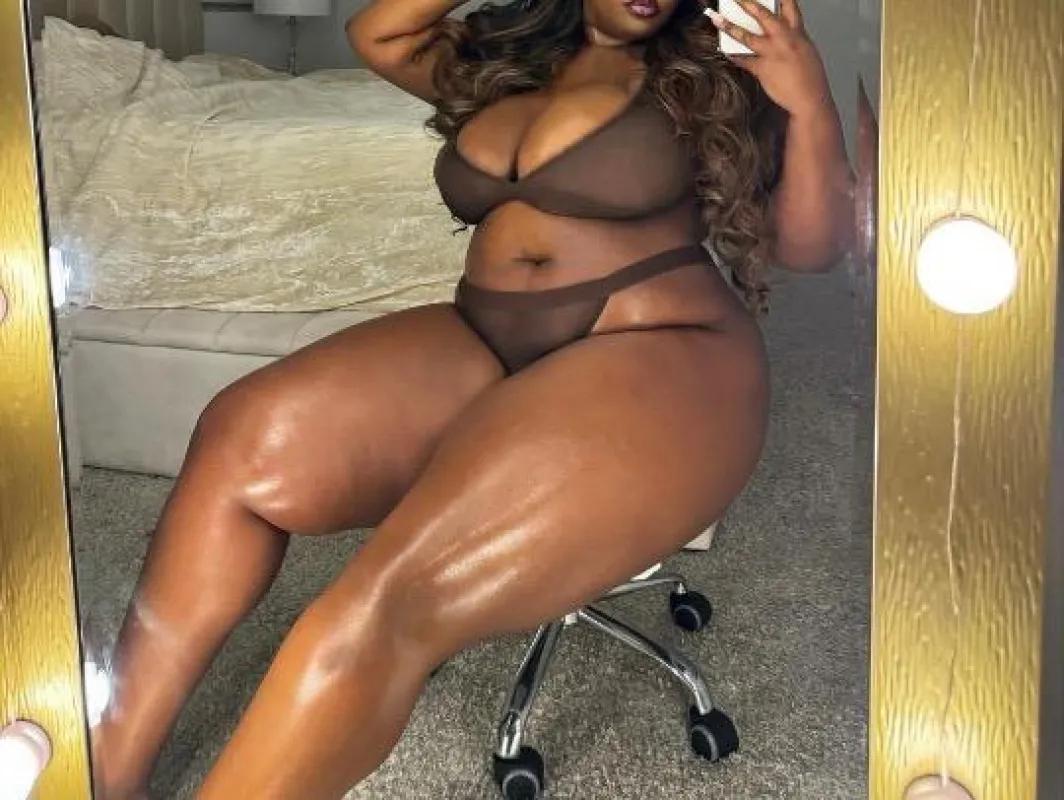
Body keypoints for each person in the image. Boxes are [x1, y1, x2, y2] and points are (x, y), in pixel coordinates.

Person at [93, 0, 853, 796]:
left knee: (380, 604)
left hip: (666, 348)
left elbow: (812, 247)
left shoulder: (713, 70)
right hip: (486, 337)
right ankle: (102, 774)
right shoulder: (509, 57)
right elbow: (378, 32)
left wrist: (807, 95)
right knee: (240, 441)